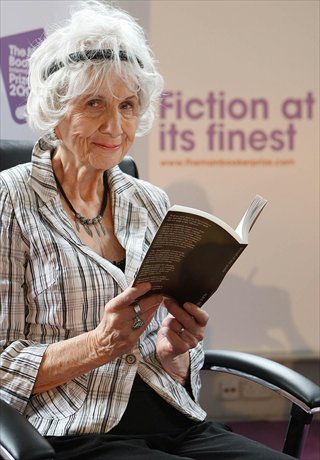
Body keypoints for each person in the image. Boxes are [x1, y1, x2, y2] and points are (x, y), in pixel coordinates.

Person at [0, 2, 294, 459]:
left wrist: (173, 352)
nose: (115, 126)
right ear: (56, 107)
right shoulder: (10, 201)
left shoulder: (149, 201)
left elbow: (166, 357)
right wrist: (97, 346)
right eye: (94, 103)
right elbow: (1, 367)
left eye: (128, 105)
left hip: (176, 421)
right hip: (74, 431)